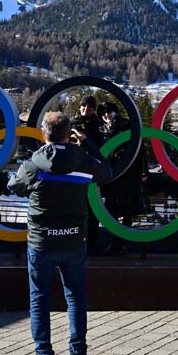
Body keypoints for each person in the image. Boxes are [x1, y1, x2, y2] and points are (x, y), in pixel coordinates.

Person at [8, 112, 111, 355]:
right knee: (75, 296)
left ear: (45, 134)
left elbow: (14, 186)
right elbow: (107, 173)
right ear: (69, 134)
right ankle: (78, 352)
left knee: (39, 298)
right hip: (75, 240)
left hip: (41, 242)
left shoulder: (34, 163)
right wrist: (86, 143)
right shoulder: (83, 160)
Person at [98, 101, 148, 253]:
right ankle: (117, 242)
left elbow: (140, 148)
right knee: (112, 208)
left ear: (115, 111)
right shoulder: (102, 128)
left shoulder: (126, 125)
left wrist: (143, 171)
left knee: (126, 208)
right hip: (111, 173)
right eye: (104, 113)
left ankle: (120, 243)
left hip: (127, 172)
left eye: (109, 111)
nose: (107, 115)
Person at [72, 95, 106, 254]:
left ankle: (92, 245)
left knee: (93, 212)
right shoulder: (72, 124)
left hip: (92, 173)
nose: (86, 109)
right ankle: (75, 244)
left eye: (90, 107)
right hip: (73, 173)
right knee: (74, 211)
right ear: (80, 107)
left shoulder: (99, 125)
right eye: (84, 106)